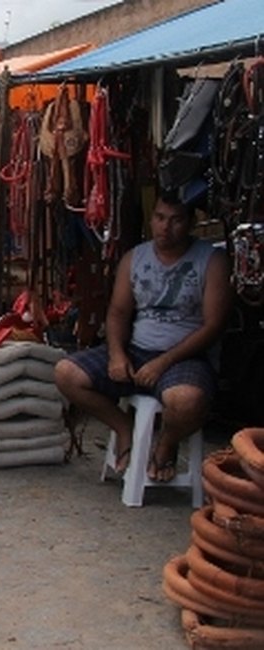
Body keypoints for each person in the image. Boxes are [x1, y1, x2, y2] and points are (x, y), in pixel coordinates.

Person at [54, 194, 230, 482]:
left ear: (191, 223)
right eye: (160, 218)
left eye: (175, 220)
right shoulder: (135, 257)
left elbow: (213, 326)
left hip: (184, 357)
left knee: (187, 401)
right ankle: (124, 427)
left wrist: (162, 363)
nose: (166, 227)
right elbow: (118, 313)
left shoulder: (211, 260)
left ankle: (166, 444)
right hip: (137, 350)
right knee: (66, 373)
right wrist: (117, 354)